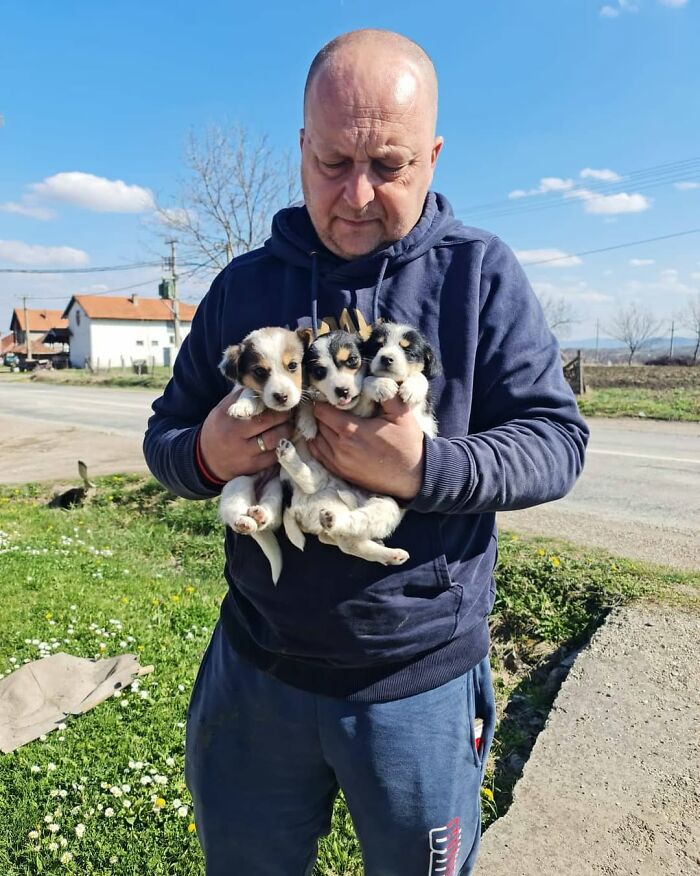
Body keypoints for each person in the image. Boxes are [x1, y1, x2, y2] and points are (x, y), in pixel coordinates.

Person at [143, 28, 589, 876]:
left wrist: (422, 469)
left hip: (416, 683)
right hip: (255, 670)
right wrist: (204, 452)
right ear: (302, 146)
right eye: (333, 162)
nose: (356, 193)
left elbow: (557, 442)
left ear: (434, 155)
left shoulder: (479, 275)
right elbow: (163, 439)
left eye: (389, 165)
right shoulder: (244, 285)